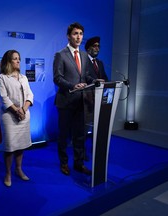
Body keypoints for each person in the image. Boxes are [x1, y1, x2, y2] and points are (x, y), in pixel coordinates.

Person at [53, 22, 92, 176]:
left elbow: (86, 75)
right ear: (69, 36)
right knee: (64, 135)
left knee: (80, 135)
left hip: (82, 102)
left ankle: (79, 163)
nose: (78, 37)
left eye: (81, 33)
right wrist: (72, 86)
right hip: (66, 101)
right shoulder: (60, 55)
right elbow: (57, 78)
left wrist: (95, 81)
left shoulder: (84, 55)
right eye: (75, 33)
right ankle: (63, 163)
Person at [0, 50, 33, 187]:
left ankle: (18, 169)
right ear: (8, 62)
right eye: (15, 59)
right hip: (9, 117)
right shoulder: (2, 77)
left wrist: (23, 109)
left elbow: (30, 95)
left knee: (21, 145)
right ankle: (8, 173)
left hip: (24, 115)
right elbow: (3, 97)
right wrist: (16, 110)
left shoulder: (24, 77)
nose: (18, 61)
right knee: (10, 146)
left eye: (19, 58)